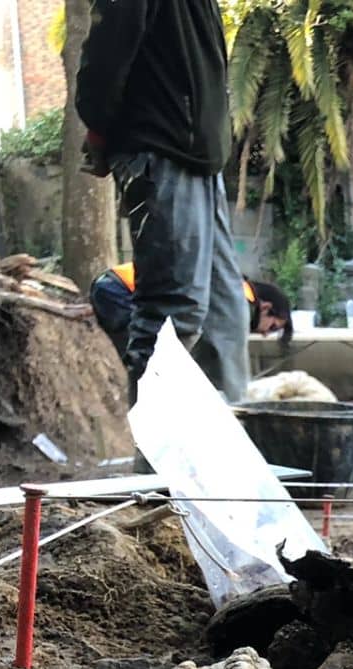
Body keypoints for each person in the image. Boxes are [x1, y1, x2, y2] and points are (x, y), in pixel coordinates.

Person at [75, 0, 249, 400]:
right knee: (174, 313)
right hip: (162, 148)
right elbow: (107, 52)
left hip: (200, 158)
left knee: (226, 316)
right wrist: (100, 127)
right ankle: (154, 457)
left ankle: (224, 452)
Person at [90, 266, 290, 373]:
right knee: (147, 367)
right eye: (272, 326)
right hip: (117, 290)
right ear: (266, 307)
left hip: (114, 285)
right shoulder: (238, 302)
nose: (265, 333)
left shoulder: (236, 290)